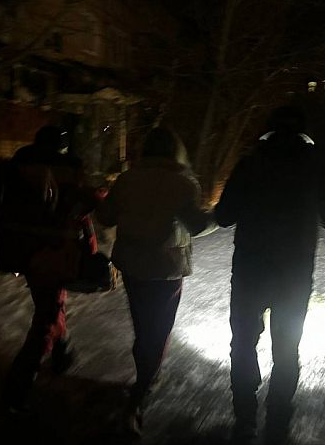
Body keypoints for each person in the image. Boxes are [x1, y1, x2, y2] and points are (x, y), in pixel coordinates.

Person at [215, 106, 325, 444]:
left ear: (267, 132)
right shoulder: (314, 166)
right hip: (294, 274)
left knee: (243, 343)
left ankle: (245, 419)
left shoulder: (250, 164)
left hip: (250, 271)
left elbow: (225, 215)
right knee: (287, 349)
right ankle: (278, 422)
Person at [96, 127, 214, 437]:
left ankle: (146, 374)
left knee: (143, 326)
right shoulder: (183, 183)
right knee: (159, 331)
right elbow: (197, 225)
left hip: (133, 266)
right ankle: (138, 397)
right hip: (166, 268)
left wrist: (99, 198)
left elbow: (106, 217)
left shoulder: (127, 180)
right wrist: (219, 215)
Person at [0, 126, 100, 413]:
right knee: (47, 317)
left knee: (49, 302)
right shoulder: (68, 169)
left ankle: (62, 353)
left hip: (25, 252)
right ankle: (17, 388)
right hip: (56, 251)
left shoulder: (18, 167)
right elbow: (81, 208)